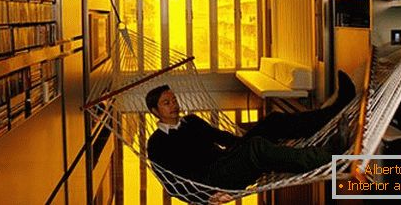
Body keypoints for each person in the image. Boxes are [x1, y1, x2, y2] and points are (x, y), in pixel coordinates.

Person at [145, 71, 355, 195]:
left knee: (272, 122)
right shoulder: (157, 144)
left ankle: (333, 112)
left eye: (173, 100)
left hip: (225, 161)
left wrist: (248, 139)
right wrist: (206, 196)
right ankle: (329, 154)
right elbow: (171, 183)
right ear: (155, 111)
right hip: (210, 180)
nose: (173, 105)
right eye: (166, 103)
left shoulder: (191, 121)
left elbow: (222, 137)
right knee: (256, 148)